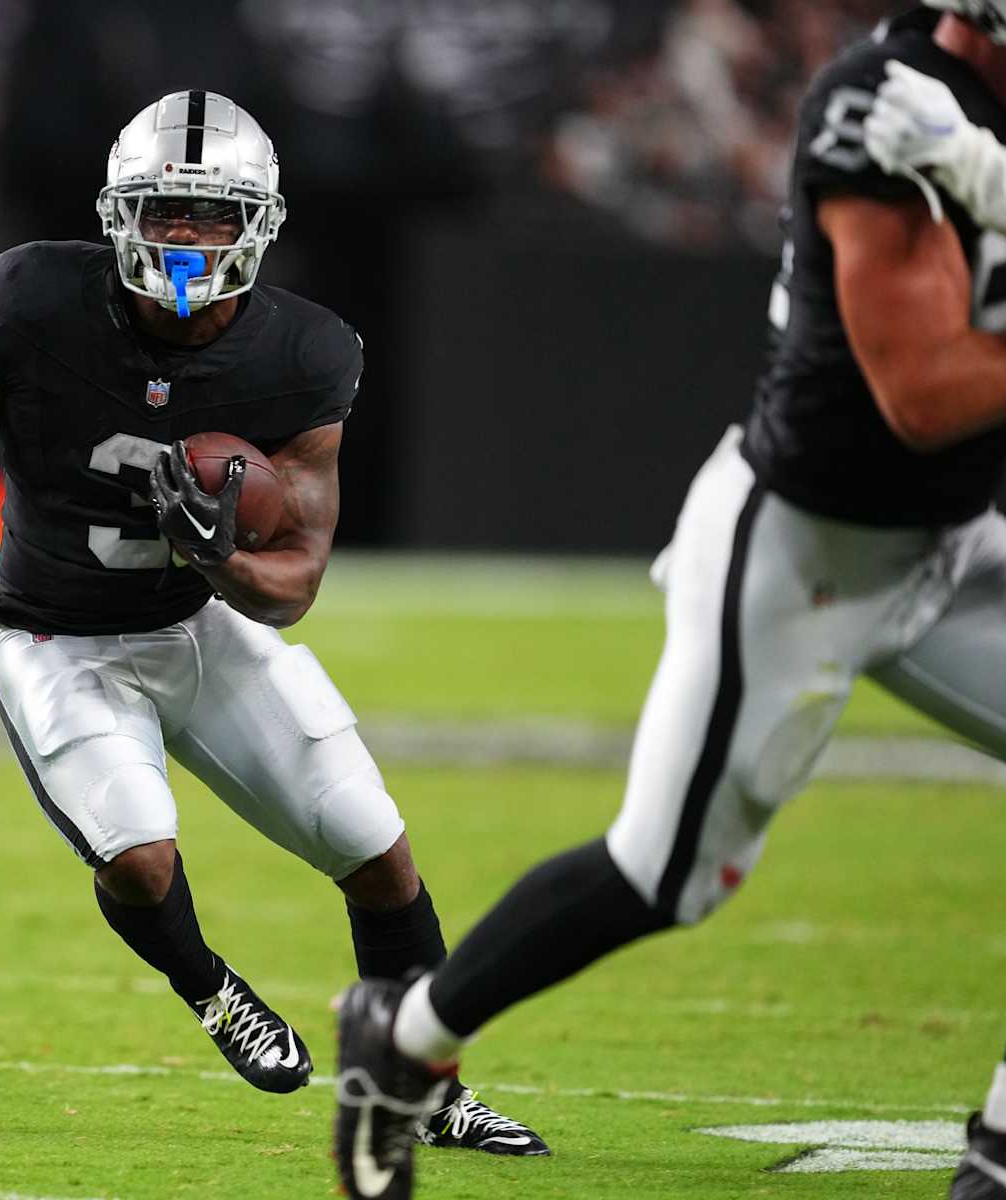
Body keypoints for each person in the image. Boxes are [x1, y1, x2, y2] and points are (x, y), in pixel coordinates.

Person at [0, 88, 545, 1158]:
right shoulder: (40, 298)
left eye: (210, 214)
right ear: (118, 212)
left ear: (257, 223)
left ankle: (426, 1091)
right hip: (56, 634)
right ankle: (211, 988)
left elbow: (297, 578)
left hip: (194, 623)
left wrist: (219, 556)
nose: (184, 238)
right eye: (164, 209)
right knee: (137, 857)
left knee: (372, 844)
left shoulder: (305, 353)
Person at [331, 5, 1006, 1197]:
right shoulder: (887, 107)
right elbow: (924, 394)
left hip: (955, 540)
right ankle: (408, 1036)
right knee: (668, 871)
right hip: (809, 550)